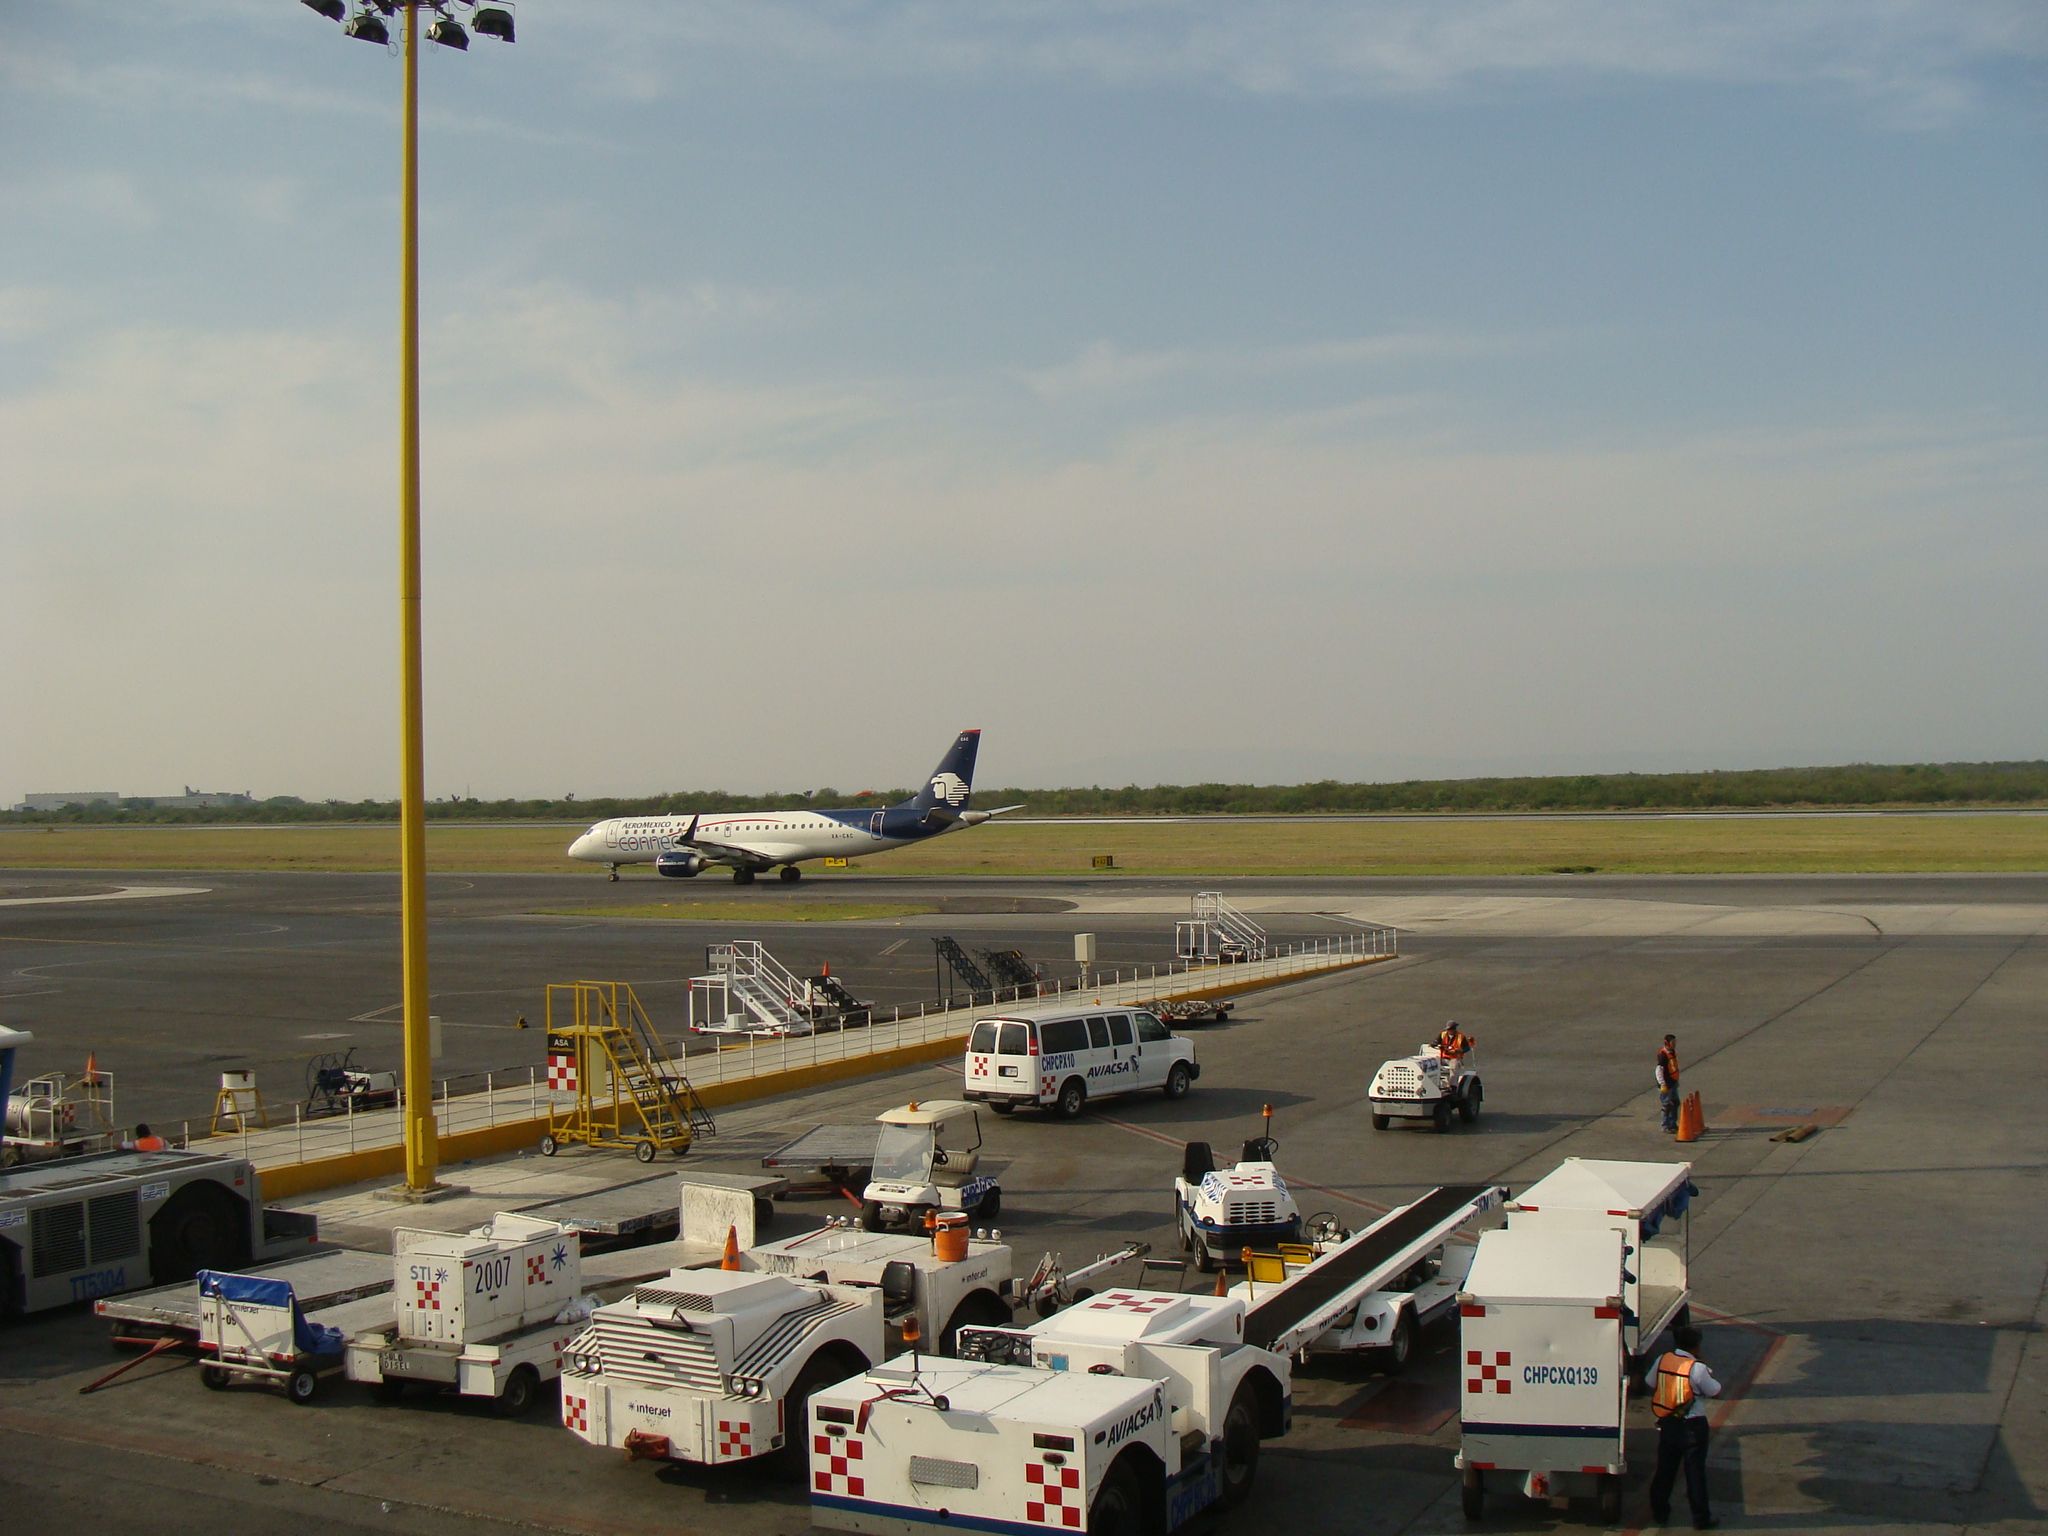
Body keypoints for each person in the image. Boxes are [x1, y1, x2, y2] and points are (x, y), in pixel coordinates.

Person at [1648, 1323, 1721, 1529]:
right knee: (1695, 1474)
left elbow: (1651, 1382)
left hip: (1669, 1424)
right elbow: (1715, 1390)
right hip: (1693, 1427)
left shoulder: (1662, 1360)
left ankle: (1660, 1513)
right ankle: (1701, 1518)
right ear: (1696, 1347)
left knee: (1665, 1471)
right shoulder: (1697, 1368)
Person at [1656, 1034, 1682, 1134]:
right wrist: (1662, 1084)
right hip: (1666, 1085)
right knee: (1667, 1105)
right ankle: (1665, 1125)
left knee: (1675, 1103)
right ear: (1667, 1043)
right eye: (1673, 1043)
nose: (1675, 1044)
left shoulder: (1672, 1052)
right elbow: (1659, 1070)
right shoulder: (1663, 1055)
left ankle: (1672, 1124)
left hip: (1673, 1083)